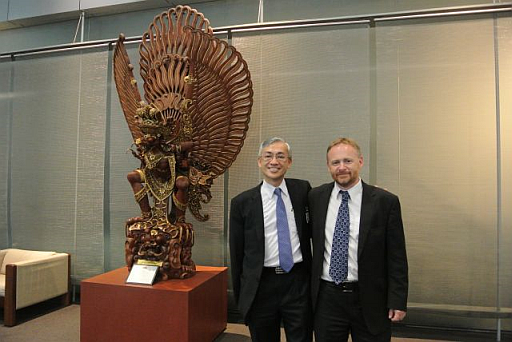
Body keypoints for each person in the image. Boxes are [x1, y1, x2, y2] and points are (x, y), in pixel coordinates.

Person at [309, 137, 408, 342]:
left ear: (360, 162)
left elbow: (396, 256)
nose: (342, 167)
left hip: (371, 298)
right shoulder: (315, 197)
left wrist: (397, 300)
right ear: (328, 166)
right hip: (328, 299)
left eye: (348, 161)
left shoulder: (384, 201)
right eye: (335, 163)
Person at [229, 137, 313, 342]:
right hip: (261, 285)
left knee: (302, 337)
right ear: (259, 161)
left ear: (289, 162)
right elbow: (236, 253)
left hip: (297, 282)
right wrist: (242, 297)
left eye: (280, 156)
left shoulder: (303, 190)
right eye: (268, 156)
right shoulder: (242, 202)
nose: (274, 161)